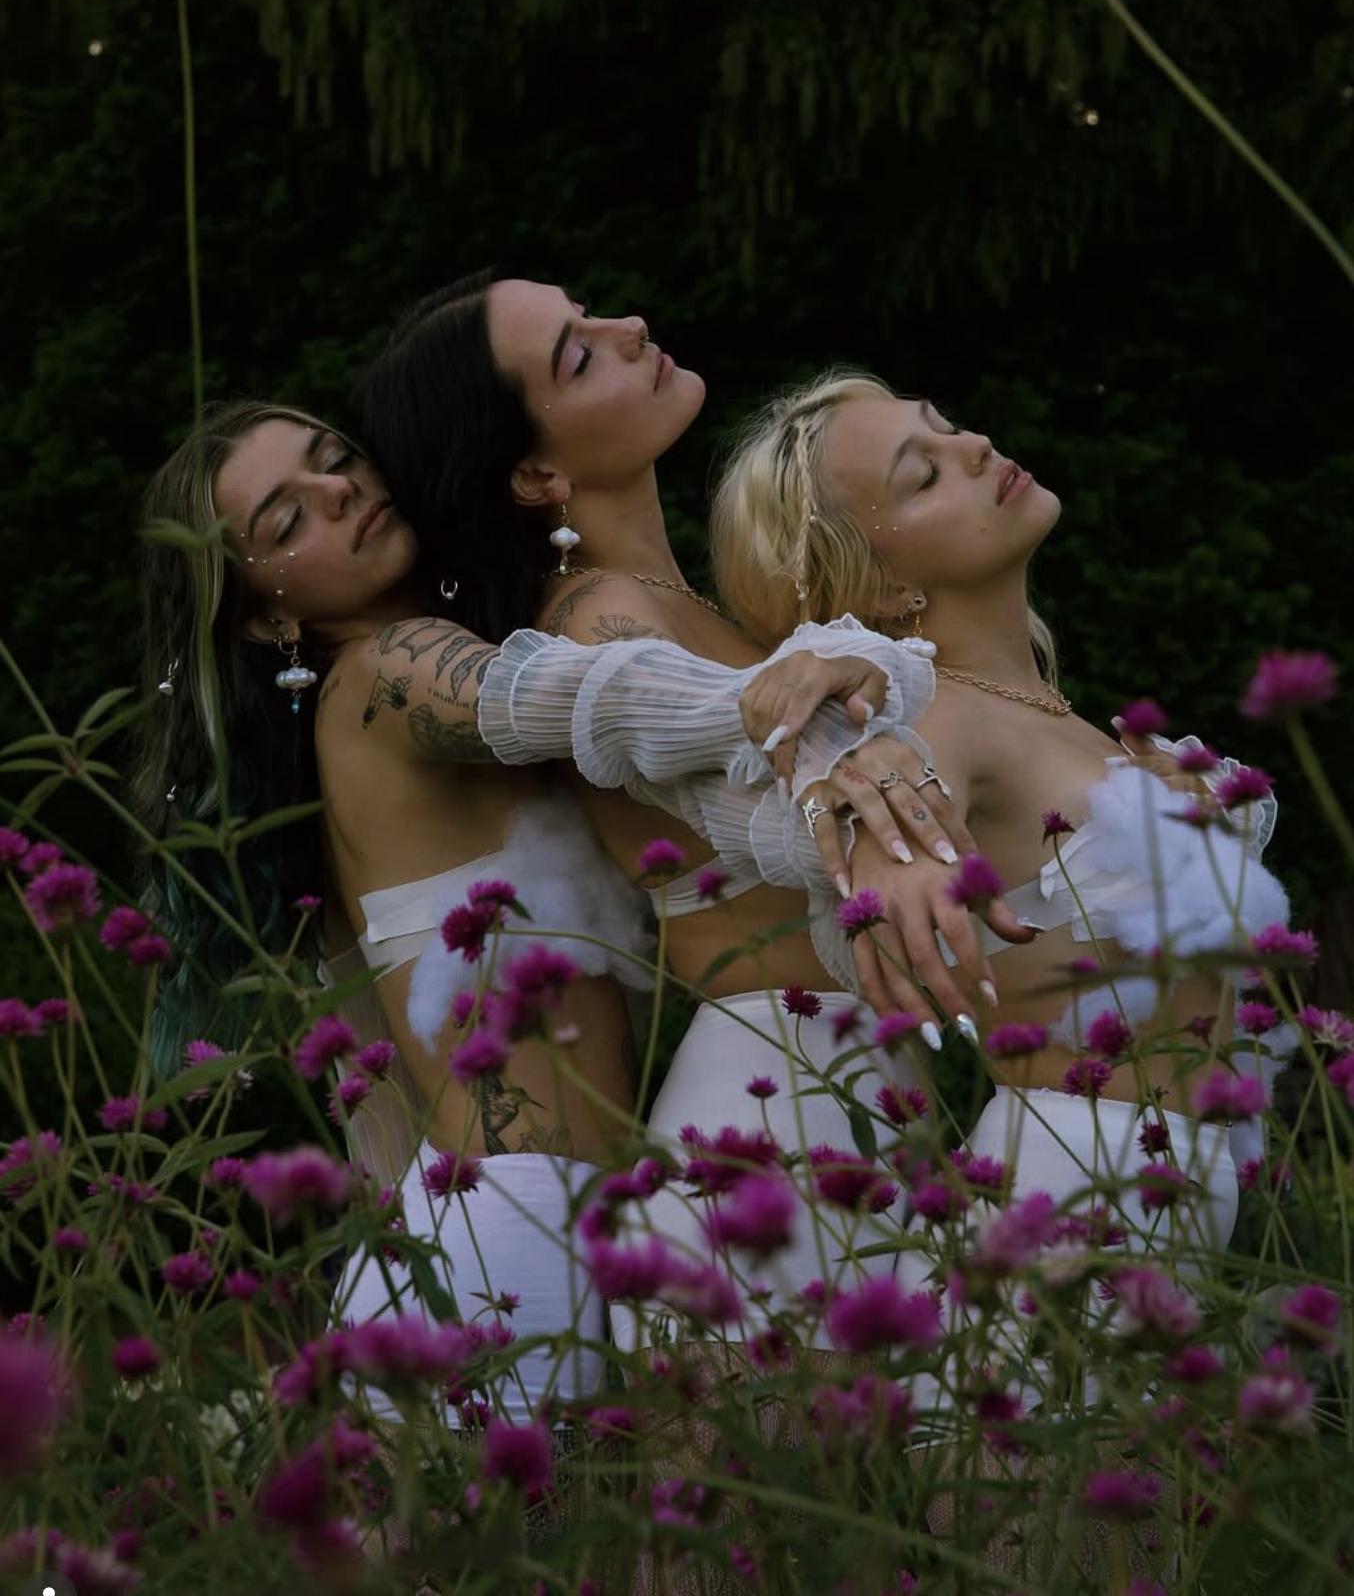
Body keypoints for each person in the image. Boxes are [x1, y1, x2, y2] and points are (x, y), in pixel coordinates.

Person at [132, 398, 968, 1434]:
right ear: (265, 613)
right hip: (511, 1238)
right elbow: (574, 698)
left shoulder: (358, 724)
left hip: (504, 1228)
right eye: (285, 518)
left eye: (335, 456)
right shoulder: (389, 670)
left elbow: (376, 1076)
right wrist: (785, 692)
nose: (340, 490)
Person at [356, 275, 1045, 1364]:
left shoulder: (688, 606)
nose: (630, 326)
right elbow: (796, 803)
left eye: (593, 315)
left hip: (836, 1080)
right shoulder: (598, 625)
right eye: (580, 355)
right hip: (775, 1100)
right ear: (537, 473)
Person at [708, 368, 1293, 1441]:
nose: (975, 443)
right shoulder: (951, 724)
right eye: (922, 470)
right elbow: (868, 756)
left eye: (945, 426)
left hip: (1197, 1195)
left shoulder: (1072, 720)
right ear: (878, 585)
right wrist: (875, 830)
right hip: (1079, 1193)